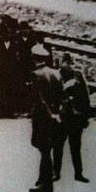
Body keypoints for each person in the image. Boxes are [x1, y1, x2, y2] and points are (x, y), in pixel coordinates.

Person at [29, 45, 64, 192]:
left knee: (44, 149)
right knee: (47, 148)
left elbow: (40, 99)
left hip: (42, 116)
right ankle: (43, 179)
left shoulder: (36, 74)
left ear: (34, 58)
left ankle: (46, 185)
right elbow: (62, 96)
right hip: (55, 116)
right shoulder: (56, 73)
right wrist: (57, 113)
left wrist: (48, 113)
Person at [53, 53, 91, 183]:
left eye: (71, 63)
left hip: (76, 117)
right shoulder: (56, 75)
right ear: (61, 63)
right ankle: (56, 173)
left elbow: (86, 96)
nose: (69, 65)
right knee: (58, 146)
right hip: (62, 117)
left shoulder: (78, 75)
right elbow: (53, 96)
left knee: (75, 147)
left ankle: (78, 174)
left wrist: (86, 116)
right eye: (66, 62)